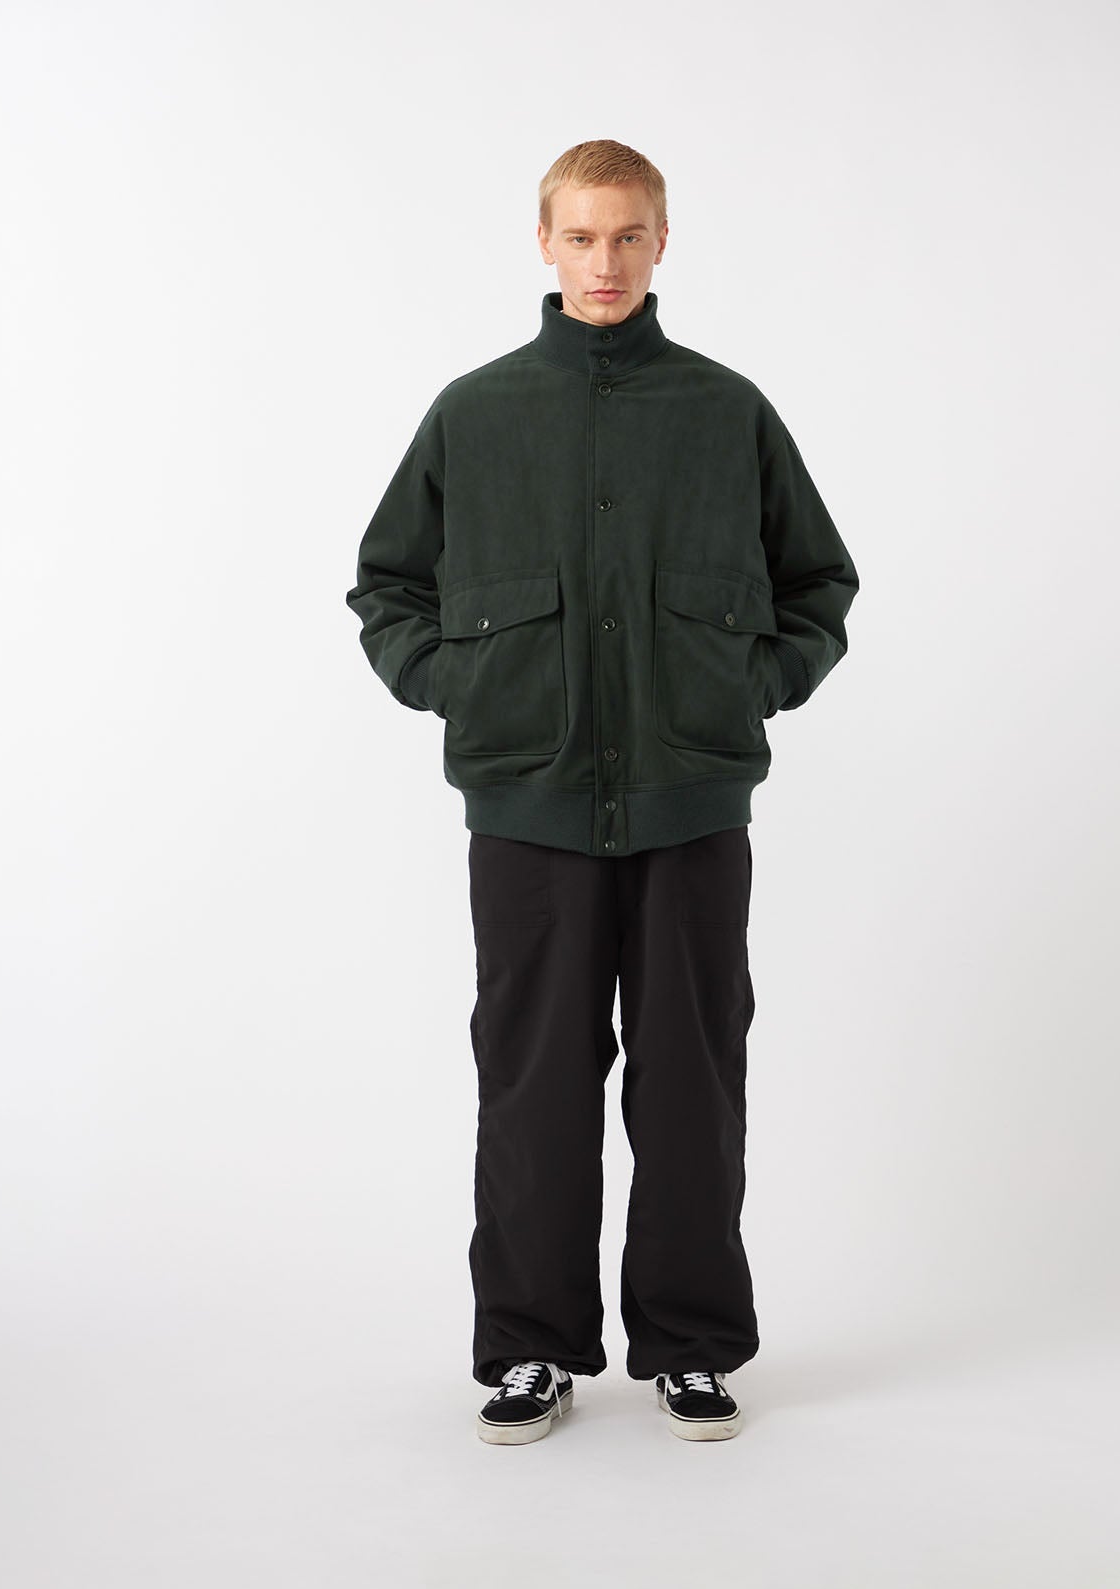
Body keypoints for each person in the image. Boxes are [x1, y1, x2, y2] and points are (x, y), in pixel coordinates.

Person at [345, 139, 860, 1444]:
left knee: (693, 1085)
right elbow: (388, 585)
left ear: (662, 241)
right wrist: (462, 688)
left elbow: (819, 583)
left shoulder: (727, 411)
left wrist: (754, 685)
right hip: (528, 810)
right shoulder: (475, 414)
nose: (605, 262)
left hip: (692, 806)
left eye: (628, 235)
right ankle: (531, 1348)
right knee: (533, 1089)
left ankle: (691, 1346)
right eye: (581, 236)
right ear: (544, 243)